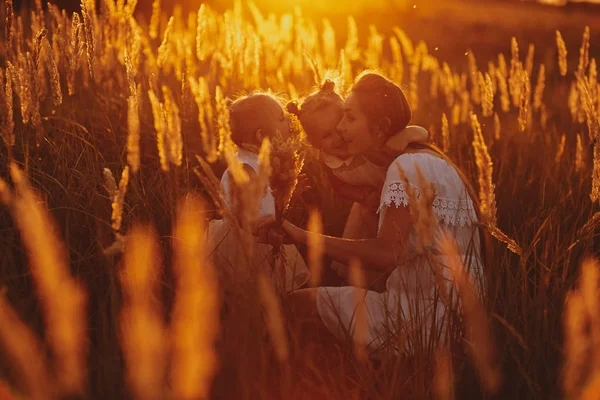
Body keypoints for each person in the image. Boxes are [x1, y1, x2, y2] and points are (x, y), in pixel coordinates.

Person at [256, 72, 484, 355]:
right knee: (319, 306)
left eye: (349, 118)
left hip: (426, 315)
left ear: (380, 128)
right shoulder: (421, 157)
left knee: (293, 306)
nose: (340, 128)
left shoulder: (405, 167)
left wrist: (302, 236)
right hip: (456, 312)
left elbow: (388, 253)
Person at [288, 79, 429, 287]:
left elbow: (423, 134)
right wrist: (363, 196)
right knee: (371, 252)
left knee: (402, 242)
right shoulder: (330, 161)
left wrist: (406, 135)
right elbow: (340, 187)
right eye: (327, 136)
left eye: (340, 126)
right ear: (313, 143)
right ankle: (371, 284)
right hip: (370, 206)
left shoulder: (365, 141)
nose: (339, 136)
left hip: (401, 197)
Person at [205, 93, 310, 293]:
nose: (288, 120)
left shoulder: (265, 162)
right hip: (248, 245)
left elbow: (270, 199)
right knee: (253, 295)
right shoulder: (245, 169)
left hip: (265, 238)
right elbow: (245, 215)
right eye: (281, 118)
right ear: (262, 135)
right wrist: (269, 233)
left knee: (274, 294)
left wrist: (288, 194)